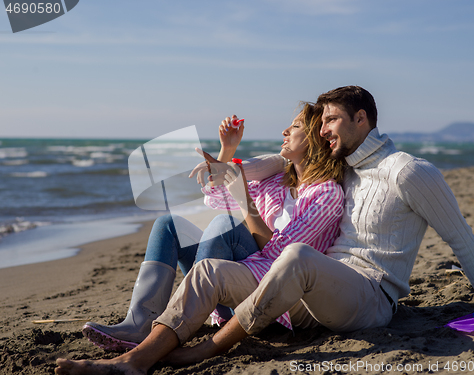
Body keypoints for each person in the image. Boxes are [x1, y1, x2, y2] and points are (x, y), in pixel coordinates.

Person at [55, 86, 474, 375]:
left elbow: (459, 234)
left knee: (297, 255)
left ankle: (208, 348)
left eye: (330, 121)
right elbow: (283, 161)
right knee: (209, 268)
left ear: (362, 119)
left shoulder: (406, 171)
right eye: (319, 123)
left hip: (370, 296)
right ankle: (135, 360)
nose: (322, 131)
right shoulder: (345, 168)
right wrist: (232, 158)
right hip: (311, 287)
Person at [79, 102, 345, 352]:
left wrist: (244, 202)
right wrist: (227, 151)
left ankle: (182, 321)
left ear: (316, 138)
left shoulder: (326, 194)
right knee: (169, 224)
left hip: (271, 300)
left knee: (226, 223)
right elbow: (215, 199)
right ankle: (140, 323)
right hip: (236, 281)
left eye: (296, 126)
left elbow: (283, 258)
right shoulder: (275, 181)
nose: (285, 131)